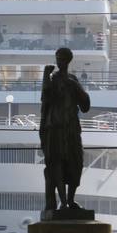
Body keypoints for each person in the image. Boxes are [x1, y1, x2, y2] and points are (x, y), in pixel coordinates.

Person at [39, 47, 91, 211]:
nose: (58, 62)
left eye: (61, 59)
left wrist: (74, 85)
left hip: (71, 129)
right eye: (57, 58)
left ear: (68, 60)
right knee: (56, 164)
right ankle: (64, 202)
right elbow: (45, 97)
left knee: (76, 163)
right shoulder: (52, 80)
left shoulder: (72, 79)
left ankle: (70, 199)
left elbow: (85, 105)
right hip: (55, 129)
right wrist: (45, 76)